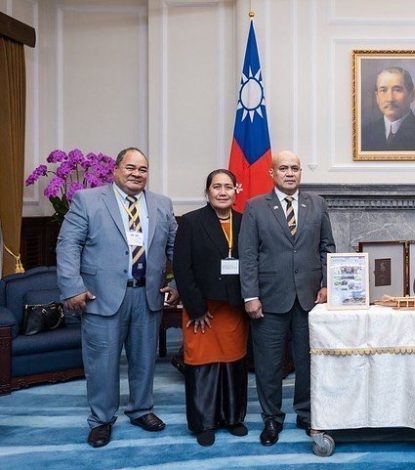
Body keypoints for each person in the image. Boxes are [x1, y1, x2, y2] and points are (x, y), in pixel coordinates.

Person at [56, 147, 178, 448]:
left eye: (143, 169)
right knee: (102, 362)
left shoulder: (162, 204)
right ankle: (101, 419)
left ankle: (141, 410)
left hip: (147, 295)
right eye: (131, 167)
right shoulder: (88, 200)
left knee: (145, 359)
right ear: (116, 170)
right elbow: (68, 245)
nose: (137, 173)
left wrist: (179, 285)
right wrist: (72, 287)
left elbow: (178, 248)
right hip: (102, 296)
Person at [238, 150, 335, 446]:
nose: (290, 173)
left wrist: (328, 285)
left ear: (301, 172)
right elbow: (249, 255)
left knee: (308, 361)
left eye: (295, 168)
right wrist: (250, 295)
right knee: (268, 363)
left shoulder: (317, 204)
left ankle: (305, 413)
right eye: (283, 168)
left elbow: (327, 247)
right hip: (268, 299)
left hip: (309, 299)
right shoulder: (255, 207)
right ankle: (271, 418)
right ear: (272, 173)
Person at [172, 169, 249, 446]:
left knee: (232, 363)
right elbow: (182, 267)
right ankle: (203, 423)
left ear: (235, 191)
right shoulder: (192, 221)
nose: (222, 191)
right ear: (207, 192)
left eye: (228, 186)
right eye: (216, 186)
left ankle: (233, 417)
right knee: (202, 364)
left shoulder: (244, 221)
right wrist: (195, 308)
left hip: (233, 307)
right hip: (201, 309)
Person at [361, 66, 415, 151]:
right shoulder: (365, 133)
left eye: (397, 90)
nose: (390, 99)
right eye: (383, 90)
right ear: (377, 97)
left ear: (412, 95)